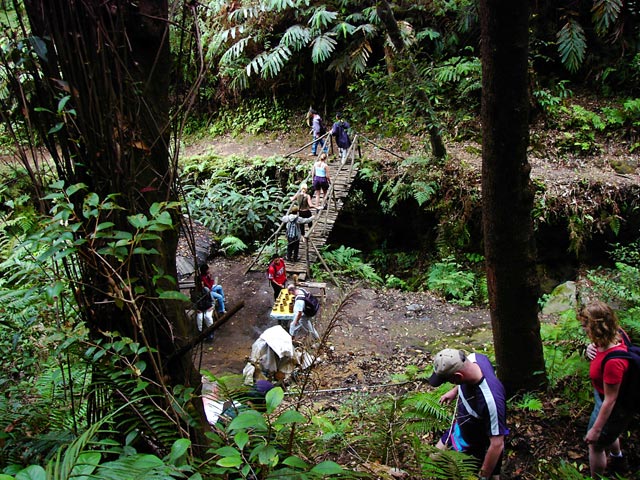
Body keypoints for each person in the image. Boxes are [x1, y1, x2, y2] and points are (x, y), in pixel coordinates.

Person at [428, 348, 509, 480]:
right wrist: (454, 392)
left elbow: (497, 444)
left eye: (449, 380)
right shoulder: (474, 358)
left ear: (458, 377)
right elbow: (463, 379)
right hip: (460, 428)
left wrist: (483, 476)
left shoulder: (491, 401)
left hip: (478, 444)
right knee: (433, 459)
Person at [579, 301, 632, 477]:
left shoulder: (614, 362)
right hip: (602, 396)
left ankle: (597, 476)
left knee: (595, 446)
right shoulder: (616, 335)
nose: (583, 328)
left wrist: (596, 430)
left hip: (611, 408)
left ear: (596, 326)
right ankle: (618, 458)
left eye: (585, 325)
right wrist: (590, 348)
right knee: (610, 435)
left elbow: (611, 400)